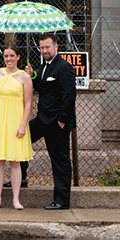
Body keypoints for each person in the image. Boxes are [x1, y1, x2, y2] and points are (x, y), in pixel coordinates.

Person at [0, 44, 34, 210]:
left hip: (15, 119)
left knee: (15, 161)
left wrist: (22, 124)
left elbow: (28, 103)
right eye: (6, 56)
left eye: (12, 56)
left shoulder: (25, 77)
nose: (9, 59)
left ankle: (16, 199)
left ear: (18, 57)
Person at [33, 32, 77, 210]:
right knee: (21, 140)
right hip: (42, 120)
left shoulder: (64, 67)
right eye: (42, 48)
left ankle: (61, 200)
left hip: (57, 123)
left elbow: (69, 95)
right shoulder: (44, 67)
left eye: (47, 47)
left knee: (60, 161)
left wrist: (62, 120)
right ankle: (21, 178)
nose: (45, 50)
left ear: (56, 47)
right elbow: (42, 88)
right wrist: (33, 76)